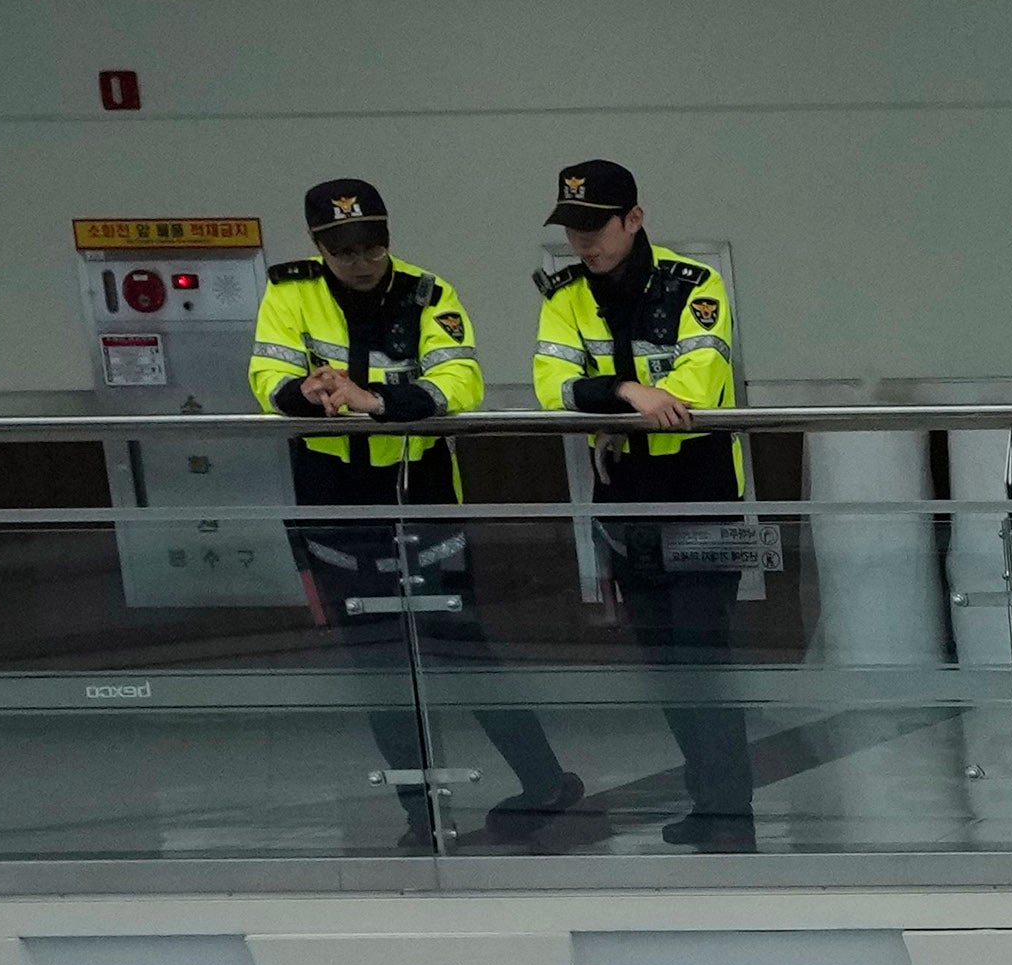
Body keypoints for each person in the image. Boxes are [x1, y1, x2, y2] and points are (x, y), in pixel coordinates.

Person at [249, 174, 582, 852]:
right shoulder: (288, 293)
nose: (362, 261)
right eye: (345, 251)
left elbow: (460, 382)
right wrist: (306, 391)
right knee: (375, 663)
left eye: (373, 245)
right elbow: (265, 379)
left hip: (420, 488)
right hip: (333, 494)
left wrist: (374, 402)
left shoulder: (431, 292)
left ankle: (544, 780)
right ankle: (420, 813)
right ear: (318, 246)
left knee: (464, 648)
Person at [525, 159, 757, 847]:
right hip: (625, 499)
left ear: (634, 218)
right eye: (572, 228)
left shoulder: (694, 284)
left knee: (705, 664)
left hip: (702, 491)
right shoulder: (564, 296)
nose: (583, 242)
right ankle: (706, 802)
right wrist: (628, 394)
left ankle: (728, 812)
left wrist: (634, 395)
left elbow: (700, 378)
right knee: (663, 665)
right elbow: (552, 386)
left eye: (596, 227)